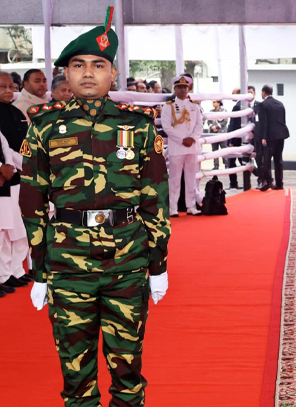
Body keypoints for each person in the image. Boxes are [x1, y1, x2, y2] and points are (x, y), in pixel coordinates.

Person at [19, 7, 171, 406]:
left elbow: (156, 196)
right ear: (65, 75)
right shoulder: (44, 125)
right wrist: (39, 268)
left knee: (128, 370)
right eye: (78, 65)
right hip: (68, 263)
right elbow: (32, 197)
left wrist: (159, 263)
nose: (88, 72)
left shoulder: (138, 124)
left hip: (128, 260)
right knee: (75, 374)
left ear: (113, 74)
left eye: (98, 64)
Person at [0, 72, 32, 293]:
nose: (8, 90)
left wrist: (26, 165)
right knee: (4, 230)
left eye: (11, 86)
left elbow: (17, 145)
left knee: (16, 229)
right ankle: (3, 274)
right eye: (2, 87)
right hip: (6, 175)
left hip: (16, 175)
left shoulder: (15, 111)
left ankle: (12, 271)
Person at [161, 75, 203, 216]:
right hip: (177, 147)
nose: (183, 90)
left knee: (191, 178)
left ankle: (191, 206)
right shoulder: (169, 106)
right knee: (174, 180)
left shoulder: (194, 105)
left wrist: (192, 138)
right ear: (175, 88)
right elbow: (166, 126)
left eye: (185, 87)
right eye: (180, 87)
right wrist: (182, 139)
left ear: (188, 88)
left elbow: (199, 125)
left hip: (192, 146)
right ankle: (173, 208)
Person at [257, 84, 289, 190]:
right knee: (278, 159)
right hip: (281, 135)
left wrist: (263, 137)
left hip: (270, 136)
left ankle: (268, 181)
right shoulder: (280, 104)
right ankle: (279, 183)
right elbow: (283, 120)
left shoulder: (263, 105)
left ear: (263, 92)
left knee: (266, 160)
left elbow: (264, 123)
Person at [206, 99, 228, 170]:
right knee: (214, 150)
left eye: (214, 102)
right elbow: (208, 121)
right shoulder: (211, 111)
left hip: (221, 133)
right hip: (213, 134)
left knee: (223, 149)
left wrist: (217, 126)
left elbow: (225, 121)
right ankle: (216, 165)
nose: (213, 103)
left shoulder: (224, 111)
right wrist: (211, 126)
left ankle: (226, 164)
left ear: (219, 103)